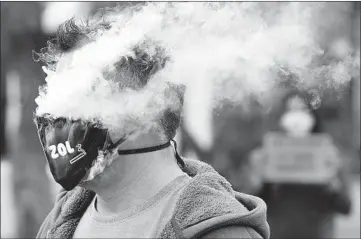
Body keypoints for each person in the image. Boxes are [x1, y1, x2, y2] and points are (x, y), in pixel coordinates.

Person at [34, 8, 269, 239]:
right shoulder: (59, 221)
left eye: (77, 96)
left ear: (147, 107)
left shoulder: (220, 232)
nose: (57, 115)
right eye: (56, 95)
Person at [253, 91, 351, 239]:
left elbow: (345, 207)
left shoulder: (330, 155)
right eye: (291, 111)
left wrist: (332, 182)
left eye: (302, 110)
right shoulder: (265, 155)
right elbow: (253, 205)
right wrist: (260, 179)